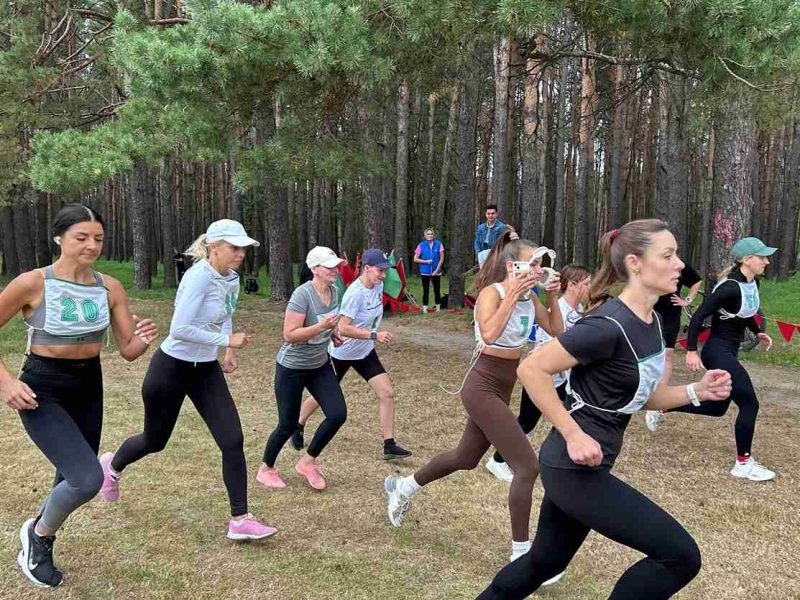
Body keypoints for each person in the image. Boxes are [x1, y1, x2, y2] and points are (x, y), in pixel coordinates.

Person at [475, 219, 732, 600]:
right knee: (679, 556)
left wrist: (696, 391)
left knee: (545, 562)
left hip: (593, 462)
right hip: (573, 467)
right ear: (635, 263)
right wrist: (573, 434)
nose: (680, 264)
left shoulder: (652, 323)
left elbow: (646, 397)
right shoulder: (607, 324)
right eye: (668, 255)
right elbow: (533, 369)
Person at [0, 204, 159, 588]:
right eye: (81, 237)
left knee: (67, 477)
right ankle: (38, 536)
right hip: (43, 386)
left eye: (98, 239)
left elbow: (126, 348)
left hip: (89, 385)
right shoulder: (32, 282)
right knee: (87, 479)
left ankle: (40, 533)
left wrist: (143, 339)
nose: (91, 246)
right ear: (60, 238)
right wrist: (6, 383)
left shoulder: (109, 286)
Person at [384, 239, 564, 562]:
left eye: (542, 264)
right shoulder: (491, 295)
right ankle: (522, 558)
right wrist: (511, 294)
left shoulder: (532, 298)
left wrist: (553, 295)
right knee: (527, 466)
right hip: (481, 385)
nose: (539, 270)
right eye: (533, 264)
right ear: (513, 267)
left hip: (503, 385)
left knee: (466, 457)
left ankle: (403, 487)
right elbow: (490, 332)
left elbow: (555, 329)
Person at [99, 219, 276, 541]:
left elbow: (225, 314)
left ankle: (240, 518)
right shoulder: (198, 277)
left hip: (205, 370)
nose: (241, 254)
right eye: (235, 248)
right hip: (171, 368)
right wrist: (226, 341)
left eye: (244, 249)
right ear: (214, 247)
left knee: (232, 440)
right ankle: (111, 466)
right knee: (155, 441)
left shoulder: (231, 279)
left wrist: (227, 351)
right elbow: (179, 329)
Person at [651, 237, 777, 482]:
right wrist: (690, 351)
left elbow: (745, 312)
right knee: (750, 404)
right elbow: (698, 317)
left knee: (718, 408)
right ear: (747, 260)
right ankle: (743, 463)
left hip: (729, 351)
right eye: (762, 257)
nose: (767, 261)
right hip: (716, 351)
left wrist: (758, 331)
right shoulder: (729, 286)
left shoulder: (752, 284)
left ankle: (663, 405)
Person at [291, 249, 413, 460]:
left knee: (387, 393)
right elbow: (344, 328)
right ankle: (298, 424)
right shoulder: (354, 293)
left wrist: (370, 337)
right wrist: (373, 335)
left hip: (364, 352)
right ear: (366, 269)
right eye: (379, 271)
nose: (383, 275)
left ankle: (389, 445)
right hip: (342, 353)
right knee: (321, 398)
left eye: (385, 271)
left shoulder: (378, 285)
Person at [486, 263, 591, 484]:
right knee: (526, 422)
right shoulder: (559, 310)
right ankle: (497, 459)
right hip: (543, 380)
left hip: (561, 381)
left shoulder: (578, 312)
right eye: (586, 283)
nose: (590, 288)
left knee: (570, 417)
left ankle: (569, 462)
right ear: (571, 285)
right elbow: (545, 345)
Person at [258, 246, 347, 491]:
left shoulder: (335, 291)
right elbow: (289, 334)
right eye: (330, 266)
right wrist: (321, 328)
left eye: (336, 265)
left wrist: (334, 334)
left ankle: (308, 462)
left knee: (337, 414)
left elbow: (330, 323)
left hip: (319, 364)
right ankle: (266, 468)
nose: (335, 270)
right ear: (315, 269)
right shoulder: (302, 295)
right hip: (292, 367)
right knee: (287, 424)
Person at [644, 261, 702, 431]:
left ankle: (659, 397)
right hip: (648, 310)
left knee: (667, 355)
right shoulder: (648, 261)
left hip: (671, 314)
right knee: (647, 351)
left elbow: (696, 281)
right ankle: (641, 389)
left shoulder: (680, 265)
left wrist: (688, 300)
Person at [414, 228, 445, 312]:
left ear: (433, 235)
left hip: (436, 272)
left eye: (431, 234)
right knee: (426, 290)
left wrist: (437, 270)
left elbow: (441, 258)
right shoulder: (421, 245)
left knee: (437, 290)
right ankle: (425, 309)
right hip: (425, 272)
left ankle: (438, 308)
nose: (430, 235)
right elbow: (415, 259)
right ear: (425, 236)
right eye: (428, 234)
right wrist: (425, 261)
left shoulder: (438, 244)